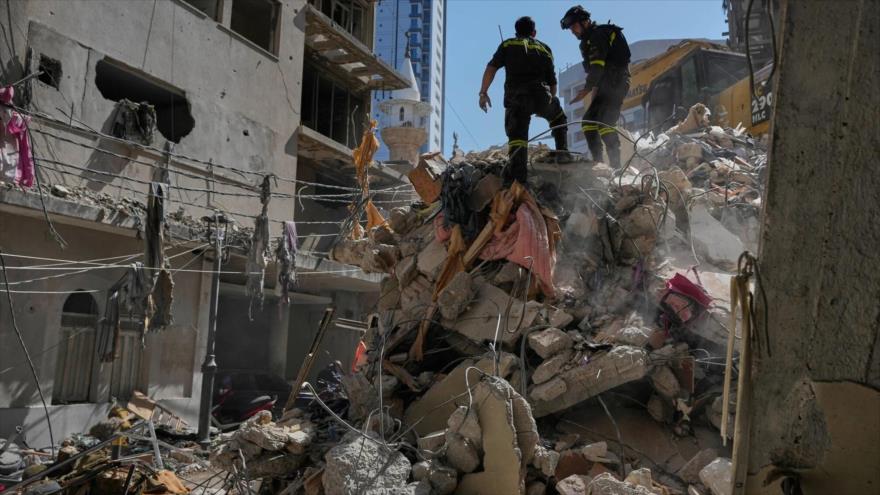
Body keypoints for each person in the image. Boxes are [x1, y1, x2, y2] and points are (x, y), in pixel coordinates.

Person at [479, 16, 569, 185]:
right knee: (559, 119)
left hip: (517, 99)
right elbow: (553, 84)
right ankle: (563, 154)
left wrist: (483, 93)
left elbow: (491, 68)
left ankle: (518, 180)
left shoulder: (508, 44)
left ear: (516, 32)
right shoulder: (545, 49)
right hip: (542, 96)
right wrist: (548, 103)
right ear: (534, 32)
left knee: (518, 139)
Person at [561, 5, 631, 169]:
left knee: (606, 123)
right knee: (588, 122)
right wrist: (593, 94)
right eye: (571, 29)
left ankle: (616, 167)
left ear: (584, 22)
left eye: (574, 27)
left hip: (616, 82)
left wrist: (586, 89)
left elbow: (597, 67)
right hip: (606, 85)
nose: (573, 31)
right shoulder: (588, 41)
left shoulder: (598, 35)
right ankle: (599, 163)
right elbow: (597, 72)